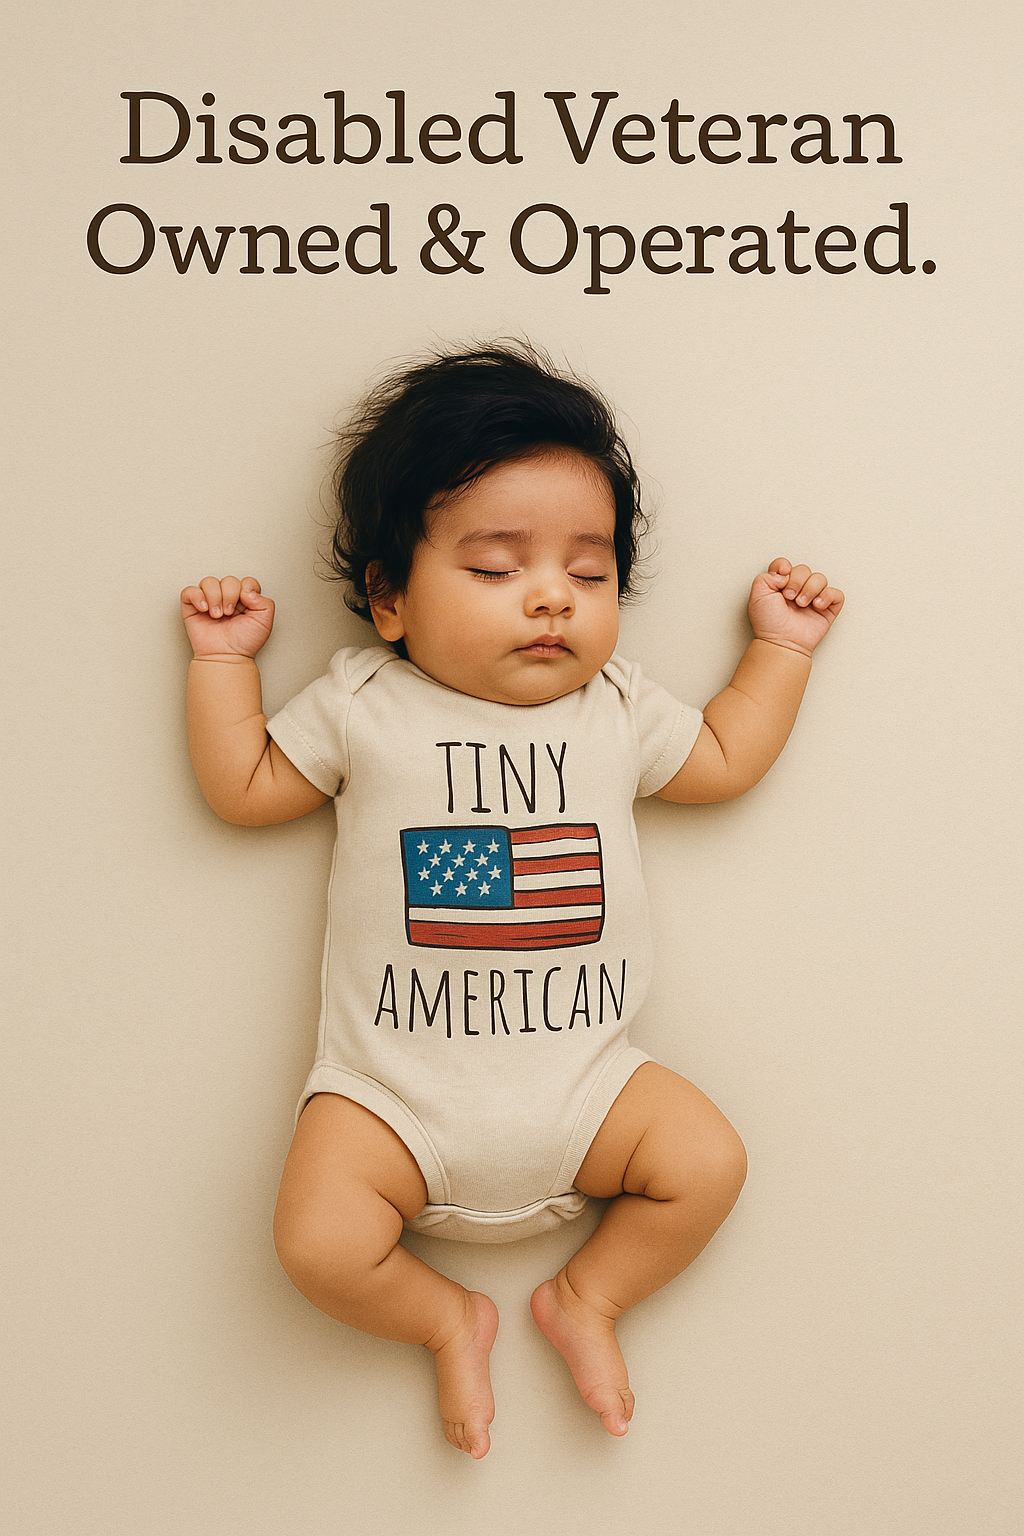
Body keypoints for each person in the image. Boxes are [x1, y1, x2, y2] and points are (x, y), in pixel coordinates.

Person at [180, 344, 843, 1459]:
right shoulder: (362, 702)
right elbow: (245, 788)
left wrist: (779, 648)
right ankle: (444, 1316)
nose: (549, 597)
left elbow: (723, 756)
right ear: (389, 598)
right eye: (495, 570)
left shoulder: (616, 707)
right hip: (389, 1094)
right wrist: (221, 668)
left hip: (588, 1085)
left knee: (709, 1163)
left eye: (588, 577)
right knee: (317, 1245)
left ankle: (587, 1298)